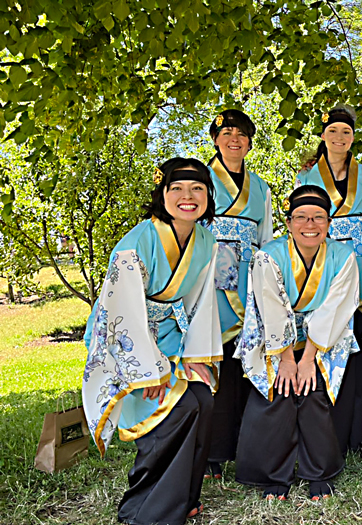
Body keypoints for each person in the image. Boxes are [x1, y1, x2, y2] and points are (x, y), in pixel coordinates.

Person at [82, 158, 222, 524]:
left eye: (197, 189)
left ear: (209, 195)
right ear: (163, 195)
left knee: (203, 400)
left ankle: (184, 498)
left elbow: (201, 301)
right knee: (173, 410)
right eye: (176, 188)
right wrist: (148, 370)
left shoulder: (206, 241)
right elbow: (122, 310)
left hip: (172, 340)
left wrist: (195, 355)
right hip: (126, 344)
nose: (187, 197)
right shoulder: (140, 241)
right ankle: (142, 510)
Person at [233, 185, 360, 501]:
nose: (310, 224)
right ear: (288, 223)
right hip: (276, 343)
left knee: (313, 389)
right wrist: (288, 359)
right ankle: (273, 475)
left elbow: (335, 309)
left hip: (322, 343)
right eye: (301, 217)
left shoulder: (344, 257)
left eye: (319, 217)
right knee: (278, 390)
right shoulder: (269, 255)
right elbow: (271, 308)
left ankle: (319, 472)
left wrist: (308, 361)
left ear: (329, 224)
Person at [295, 106, 362, 457]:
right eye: (333, 131)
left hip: (361, 273)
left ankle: (356, 436)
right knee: (323, 350)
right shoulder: (307, 177)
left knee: (361, 360)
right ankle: (320, 432)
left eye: (346, 132)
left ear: (353, 137)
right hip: (324, 268)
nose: (340, 138)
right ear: (323, 135)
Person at [205, 109, 274, 478]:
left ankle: (245, 442)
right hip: (209, 281)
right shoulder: (199, 180)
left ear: (249, 142)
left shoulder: (260, 187)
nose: (235, 139)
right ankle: (213, 450)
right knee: (213, 360)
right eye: (227, 132)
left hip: (249, 280)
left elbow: (265, 237)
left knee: (246, 361)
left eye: (242, 134)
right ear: (215, 138)